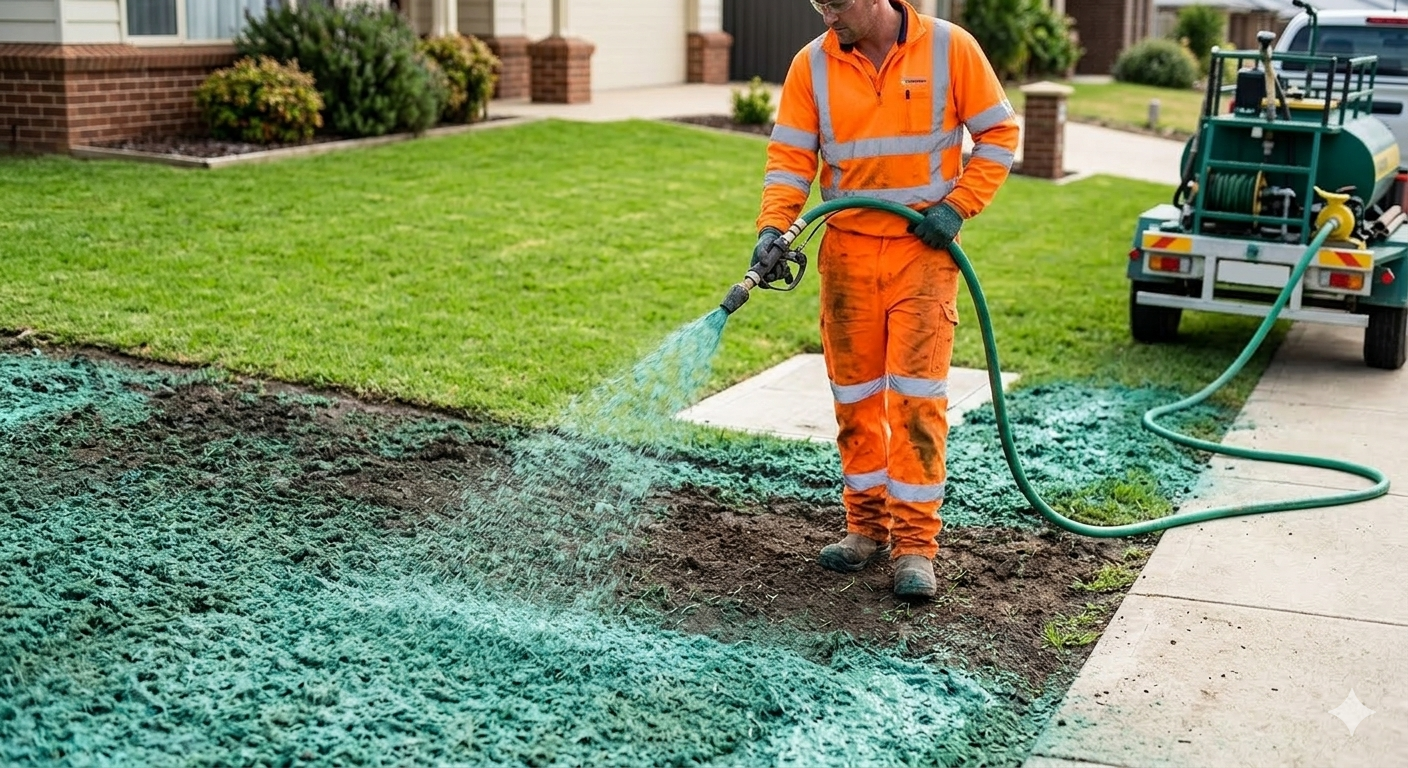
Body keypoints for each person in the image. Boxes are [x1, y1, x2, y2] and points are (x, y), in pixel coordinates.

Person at [752, 0, 1019, 598]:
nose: (828, 17)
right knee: (855, 398)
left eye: (837, 4)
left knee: (917, 401)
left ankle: (916, 547)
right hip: (846, 254)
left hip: (920, 254)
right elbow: (792, 158)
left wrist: (956, 206)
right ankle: (865, 527)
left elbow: (1000, 134)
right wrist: (774, 228)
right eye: (818, 4)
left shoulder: (951, 48)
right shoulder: (811, 65)